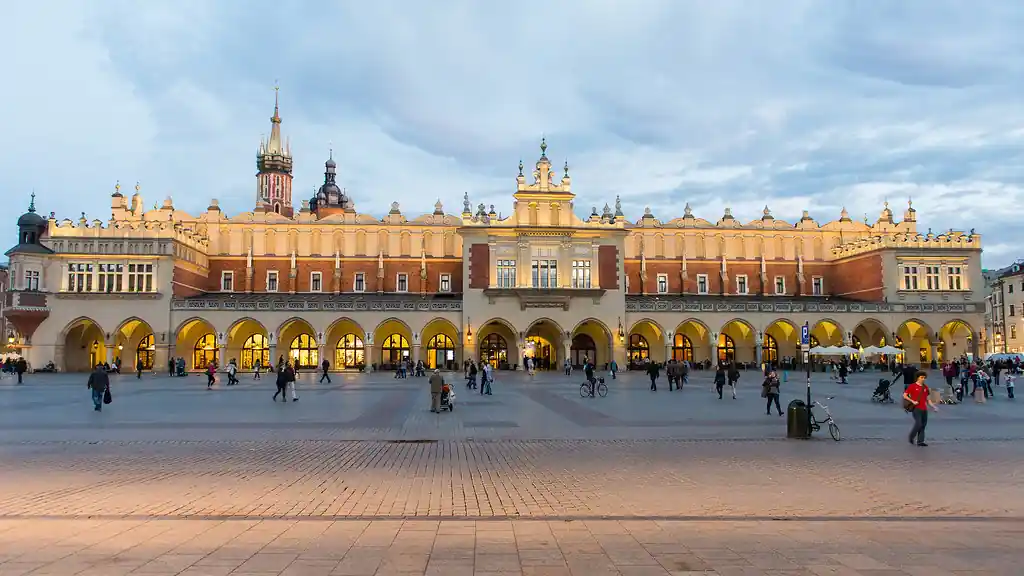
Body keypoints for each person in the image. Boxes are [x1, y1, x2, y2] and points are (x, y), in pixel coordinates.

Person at [903, 370, 937, 446]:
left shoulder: (925, 387)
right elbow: (905, 395)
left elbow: (928, 399)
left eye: (924, 378)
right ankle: (911, 437)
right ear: (918, 378)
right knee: (918, 423)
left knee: (923, 425)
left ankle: (920, 441)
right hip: (916, 408)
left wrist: (933, 407)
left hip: (924, 409)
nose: (923, 379)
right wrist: (912, 401)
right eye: (921, 377)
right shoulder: (912, 386)